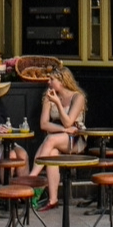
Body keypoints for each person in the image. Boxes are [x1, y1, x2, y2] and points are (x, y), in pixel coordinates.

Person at [29, 67, 86, 211]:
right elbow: (44, 124)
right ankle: (53, 199)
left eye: (52, 79)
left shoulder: (77, 97)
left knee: (50, 140)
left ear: (62, 81)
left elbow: (68, 122)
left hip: (75, 139)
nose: (48, 82)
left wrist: (58, 104)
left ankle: (31, 178)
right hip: (59, 135)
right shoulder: (48, 96)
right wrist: (62, 129)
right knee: (52, 153)